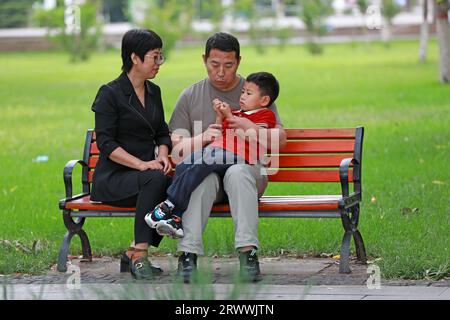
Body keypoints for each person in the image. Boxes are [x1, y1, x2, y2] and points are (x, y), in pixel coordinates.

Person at [168, 32, 287, 282]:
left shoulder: (255, 92)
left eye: (229, 65)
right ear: (204, 60)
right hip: (208, 169)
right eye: (215, 64)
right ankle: (187, 255)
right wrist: (203, 139)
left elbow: (279, 139)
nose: (221, 72)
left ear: (239, 62)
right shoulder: (191, 96)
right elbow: (175, 147)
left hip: (248, 173)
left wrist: (244, 126)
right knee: (201, 178)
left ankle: (248, 255)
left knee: (237, 171)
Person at [146, 72, 279, 242]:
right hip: (217, 150)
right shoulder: (237, 113)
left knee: (203, 164)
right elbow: (219, 132)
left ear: (264, 100)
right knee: (185, 164)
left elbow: (250, 134)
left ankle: (169, 204)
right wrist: (219, 114)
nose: (242, 96)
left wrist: (229, 116)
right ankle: (176, 219)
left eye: (248, 93)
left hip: (240, 156)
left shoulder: (265, 115)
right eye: (242, 92)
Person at [90, 29, 172, 280]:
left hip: (144, 177)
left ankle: (133, 251)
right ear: (135, 58)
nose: (159, 63)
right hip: (113, 178)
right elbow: (105, 143)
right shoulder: (110, 93)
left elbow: (161, 132)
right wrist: (142, 164)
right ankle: (140, 255)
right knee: (157, 179)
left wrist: (163, 156)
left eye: (161, 57)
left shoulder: (154, 91)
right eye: (154, 57)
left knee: (174, 183)